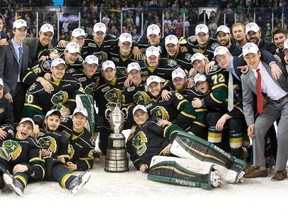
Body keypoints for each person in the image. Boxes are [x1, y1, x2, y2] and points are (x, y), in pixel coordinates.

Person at [241, 43, 288, 181]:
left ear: (259, 55)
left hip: (286, 99)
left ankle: (280, 169)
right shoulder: (246, 77)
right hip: (272, 104)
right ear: (244, 58)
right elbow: (247, 102)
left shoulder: (273, 61)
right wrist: (250, 122)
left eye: (253, 55)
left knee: (281, 133)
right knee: (257, 128)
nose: (251, 59)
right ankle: (260, 167)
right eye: (247, 57)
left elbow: (273, 55)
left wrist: (273, 63)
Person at [126, 104, 184, 172]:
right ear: (133, 118)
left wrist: (172, 143)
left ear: (147, 116)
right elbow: (133, 156)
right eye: (137, 115)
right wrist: (140, 165)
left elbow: (173, 129)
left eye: (142, 114)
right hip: (153, 166)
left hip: (166, 156)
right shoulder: (130, 139)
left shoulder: (152, 123)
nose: (139, 117)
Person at [0, 118, 44, 196]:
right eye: (23, 126)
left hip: (17, 169)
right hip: (2, 167)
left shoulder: (31, 143)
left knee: (24, 168)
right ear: (17, 128)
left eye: (29, 128)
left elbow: (39, 168)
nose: (25, 129)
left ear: (31, 132)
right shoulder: (6, 134)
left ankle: (18, 184)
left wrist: (27, 168)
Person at [0, 19, 32, 123]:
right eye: (20, 30)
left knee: (18, 118)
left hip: (21, 89)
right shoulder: (5, 47)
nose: (22, 32)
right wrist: (5, 90)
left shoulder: (26, 48)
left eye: (24, 30)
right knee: (7, 118)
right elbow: (0, 71)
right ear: (14, 31)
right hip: (8, 88)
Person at [94, 60, 126, 155]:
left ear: (115, 71)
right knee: (105, 150)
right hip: (106, 122)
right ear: (102, 73)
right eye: (106, 71)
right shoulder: (99, 87)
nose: (109, 73)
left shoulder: (124, 81)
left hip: (123, 117)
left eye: (111, 70)